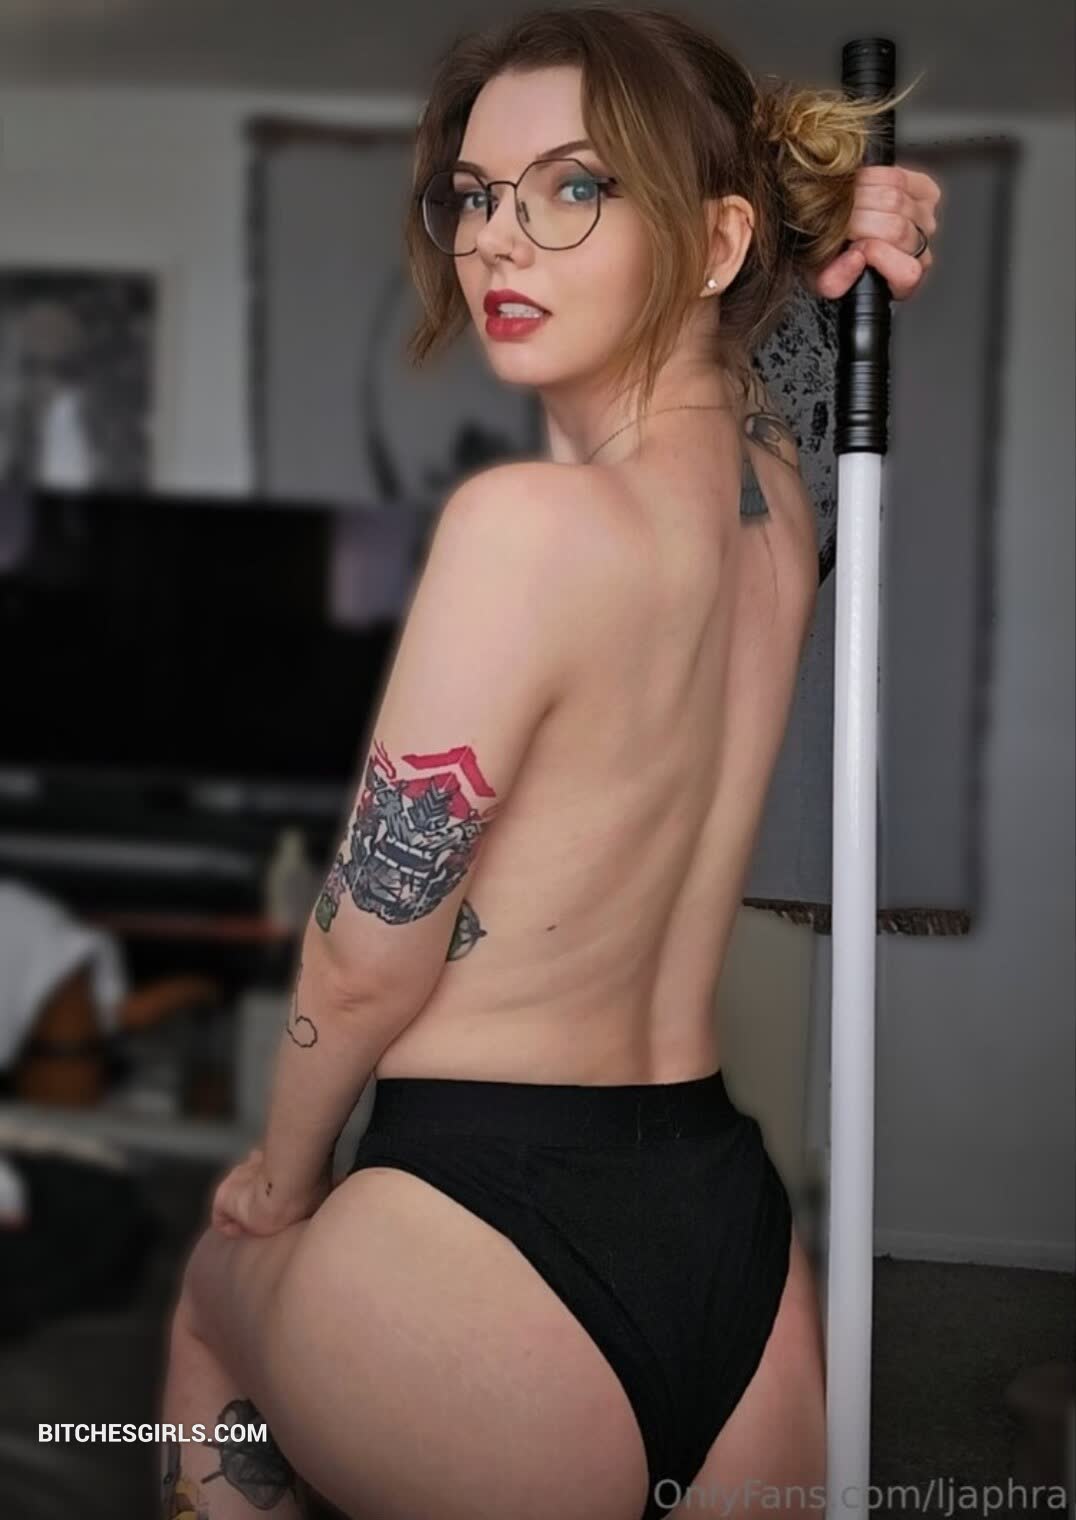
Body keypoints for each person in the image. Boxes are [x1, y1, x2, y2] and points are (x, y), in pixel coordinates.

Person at [160, 8, 941, 1518]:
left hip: (474, 1230)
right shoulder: (778, 515)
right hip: (729, 1254)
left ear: (714, 239)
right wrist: (823, 237)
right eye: (475, 194)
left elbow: (369, 953)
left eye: (575, 185)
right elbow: (767, 369)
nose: (498, 240)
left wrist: (279, 1175)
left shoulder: (523, 527)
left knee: (212, 1296)